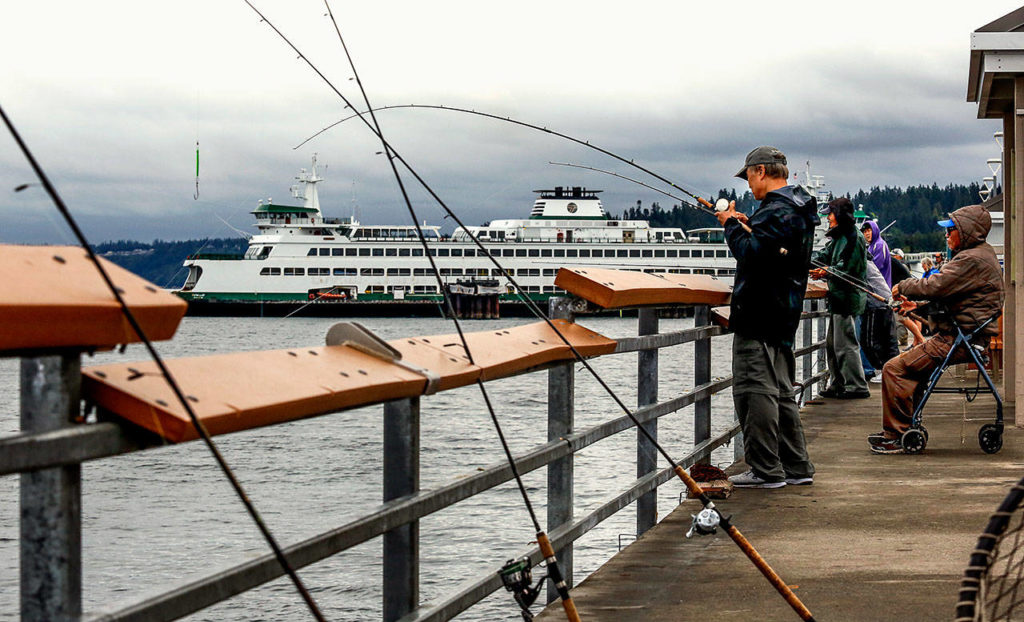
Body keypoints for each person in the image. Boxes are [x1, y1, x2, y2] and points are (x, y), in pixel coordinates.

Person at [715, 146, 819, 489]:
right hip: (783, 313)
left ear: (760, 171)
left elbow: (753, 257)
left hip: (758, 314)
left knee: (754, 390)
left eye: (748, 176)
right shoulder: (796, 209)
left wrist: (731, 225)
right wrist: (748, 224)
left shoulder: (775, 211)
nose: (748, 185)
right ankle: (796, 465)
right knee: (781, 392)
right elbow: (773, 253)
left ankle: (764, 469)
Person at [869, 204, 1004, 454]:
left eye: (950, 230)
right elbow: (952, 300)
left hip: (959, 339)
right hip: (967, 335)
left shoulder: (970, 259)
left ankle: (896, 436)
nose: (946, 235)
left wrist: (904, 287)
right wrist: (915, 307)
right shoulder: (980, 255)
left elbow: (935, 285)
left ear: (966, 232)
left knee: (893, 368)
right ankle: (905, 427)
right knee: (910, 369)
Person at [809, 198, 870, 399]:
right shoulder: (839, 237)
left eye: (830, 213)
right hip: (838, 299)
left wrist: (824, 272)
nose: (827, 217)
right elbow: (822, 257)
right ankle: (838, 384)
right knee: (833, 345)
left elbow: (848, 269)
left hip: (847, 299)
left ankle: (856, 386)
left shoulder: (854, 237)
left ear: (840, 215)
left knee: (845, 345)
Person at [890, 248, 926, 347]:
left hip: (904, 292)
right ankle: (917, 342)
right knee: (913, 317)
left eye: (894, 255)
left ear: (900, 257)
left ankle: (920, 340)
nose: (893, 257)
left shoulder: (895, 264)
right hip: (906, 290)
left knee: (904, 317)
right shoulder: (901, 265)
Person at [861, 220, 892, 286]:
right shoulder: (870, 246)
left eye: (869, 230)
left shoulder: (879, 244)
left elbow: (875, 267)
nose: (867, 234)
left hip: (882, 288)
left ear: (875, 230)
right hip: (874, 286)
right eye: (865, 232)